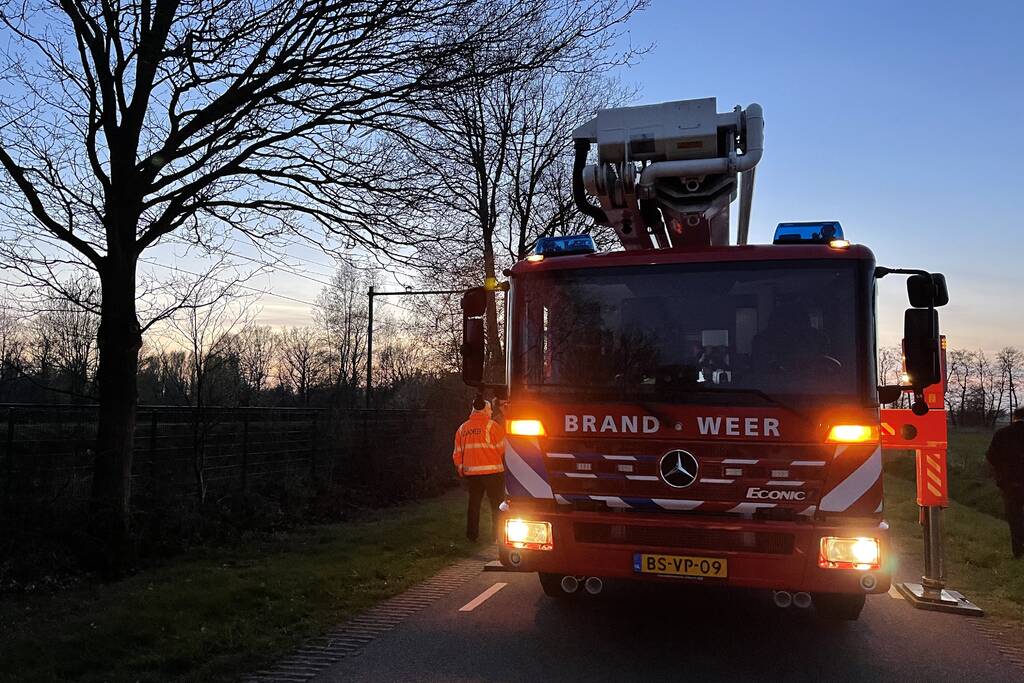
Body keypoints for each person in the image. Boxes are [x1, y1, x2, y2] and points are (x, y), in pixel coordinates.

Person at [452, 398, 505, 543]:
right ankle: (497, 536)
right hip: (493, 473)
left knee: (474, 505)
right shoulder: (492, 426)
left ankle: (472, 536)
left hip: (472, 474)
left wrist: (461, 470)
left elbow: (457, 453)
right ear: (485, 410)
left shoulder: (462, 429)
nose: (492, 411)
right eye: (490, 409)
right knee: (497, 505)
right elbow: (502, 448)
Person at [986, 407, 1024, 558]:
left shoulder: (1002, 434)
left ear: (1014, 417)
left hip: (1010, 483)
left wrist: (1001, 472)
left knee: (1014, 516)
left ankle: (1018, 551)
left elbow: (991, 456)